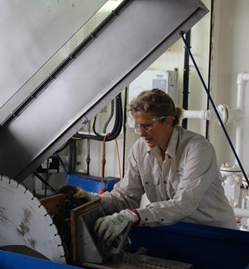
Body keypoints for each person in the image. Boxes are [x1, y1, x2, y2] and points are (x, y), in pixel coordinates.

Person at [93, 89, 237, 244]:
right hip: (175, 230)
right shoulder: (139, 149)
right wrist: (92, 200)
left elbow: (184, 203)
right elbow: (125, 196)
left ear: (168, 121)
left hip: (216, 235)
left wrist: (135, 215)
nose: (141, 133)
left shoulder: (197, 148)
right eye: (137, 126)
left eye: (146, 125)